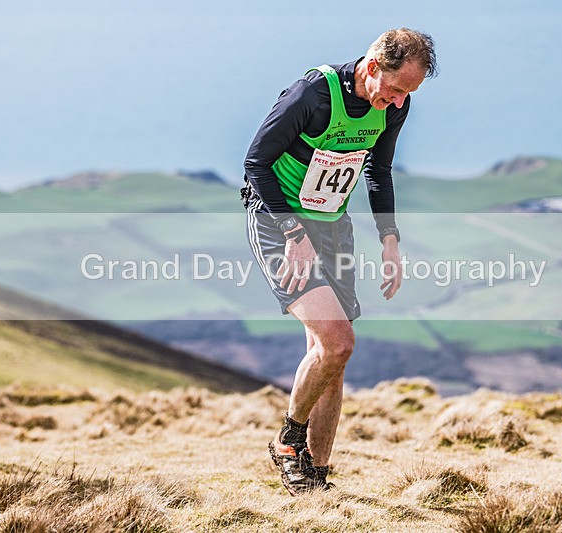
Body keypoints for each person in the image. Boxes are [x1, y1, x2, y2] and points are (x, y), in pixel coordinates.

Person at [241, 28, 437, 495]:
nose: (398, 103)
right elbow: (255, 164)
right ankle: (288, 443)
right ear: (372, 67)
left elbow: (379, 170)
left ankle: (316, 475)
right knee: (338, 342)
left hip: (332, 225)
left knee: (332, 359)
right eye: (395, 89)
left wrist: (389, 239)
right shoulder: (312, 94)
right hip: (279, 222)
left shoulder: (395, 104)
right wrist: (293, 233)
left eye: (408, 94)